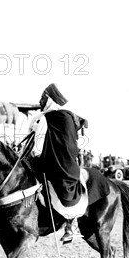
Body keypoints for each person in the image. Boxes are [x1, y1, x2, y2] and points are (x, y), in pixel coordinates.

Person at [29, 84, 88, 243]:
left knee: (28, 173)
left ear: (49, 99)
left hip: (56, 167)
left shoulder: (46, 118)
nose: (40, 101)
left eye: (43, 98)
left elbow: (37, 149)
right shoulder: (69, 117)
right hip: (70, 167)